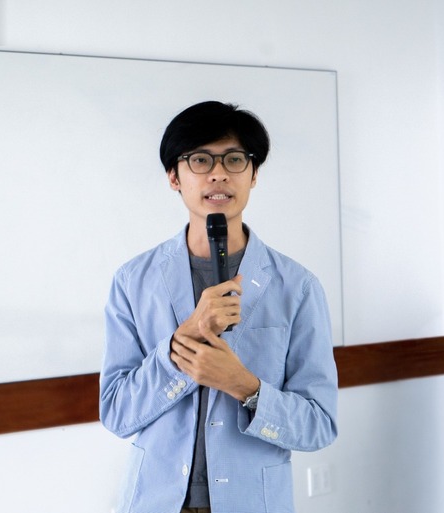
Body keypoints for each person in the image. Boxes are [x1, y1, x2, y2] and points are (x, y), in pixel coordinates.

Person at [99, 100, 338, 513]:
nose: (218, 173)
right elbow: (117, 413)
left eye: (234, 159)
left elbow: (319, 425)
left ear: (254, 174)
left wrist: (245, 386)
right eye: (200, 159)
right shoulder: (132, 281)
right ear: (174, 177)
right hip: (156, 501)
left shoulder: (298, 287)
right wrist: (186, 340)